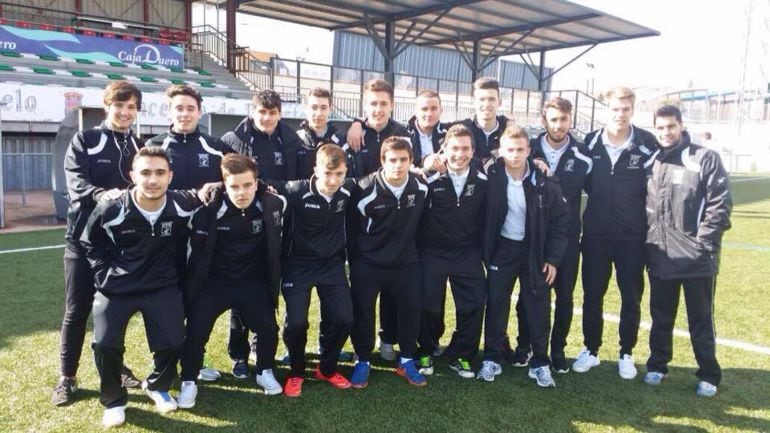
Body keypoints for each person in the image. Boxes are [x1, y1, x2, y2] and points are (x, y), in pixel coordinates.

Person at [80, 147, 203, 427]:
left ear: (170, 177)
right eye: (145, 173)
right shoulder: (112, 207)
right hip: (117, 287)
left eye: (160, 173)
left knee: (173, 341)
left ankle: (157, 385)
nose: (153, 180)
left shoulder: (182, 203)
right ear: (132, 175)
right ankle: (114, 400)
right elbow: (88, 241)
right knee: (105, 343)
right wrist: (105, 275)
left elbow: (213, 189)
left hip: (161, 285)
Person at [52, 80, 143, 406]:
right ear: (107, 106)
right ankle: (67, 378)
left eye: (131, 106)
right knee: (77, 312)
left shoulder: (137, 146)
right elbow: (75, 183)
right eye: (119, 105)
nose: (125, 111)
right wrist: (101, 195)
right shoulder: (86, 139)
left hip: (119, 245)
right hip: (82, 242)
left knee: (115, 312)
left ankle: (115, 367)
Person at [179, 153, 286, 406]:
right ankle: (189, 380)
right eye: (234, 186)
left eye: (248, 185)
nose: (241, 192)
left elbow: (292, 192)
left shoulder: (272, 204)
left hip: (251, 282)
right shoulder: (208, 207)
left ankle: (265, 371)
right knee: (195, 330)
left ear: (257, 183)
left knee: (269, 327)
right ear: (224, 185)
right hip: (214, 283)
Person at [643, 105, 731, 397]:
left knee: (701, 319)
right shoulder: (651, 160)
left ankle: (709, 373)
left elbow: (720, 206)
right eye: (660, 128)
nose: (665, 133)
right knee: (661, 315)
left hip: (696, 259)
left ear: (680, 126)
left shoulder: (704, 158)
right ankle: (657, 365)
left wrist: (702, 245)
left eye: (670, 126)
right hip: (661, 255)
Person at [148, 84, 233, 382]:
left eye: (190, 108)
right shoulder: (154, 146)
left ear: (200, 111)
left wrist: (218, 187)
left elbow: (239, 177)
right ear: (169, 111)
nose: (184, 114)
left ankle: (196, 358)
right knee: (165, 302)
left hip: (204, 238)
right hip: (164, 239)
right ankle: (162, 363)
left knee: (197, 300)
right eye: (178, 108)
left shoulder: (215, 146)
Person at [574, 86, 658, 380]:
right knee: (592, 295)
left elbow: (654, 192)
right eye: (615, 109)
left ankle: (626, 353)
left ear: (632, 110)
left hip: (632, 238)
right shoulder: (589, 143)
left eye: (625, 109)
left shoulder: (647, 143)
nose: (620, 115)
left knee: (631, 297)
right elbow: (583, 184)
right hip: (596, 235)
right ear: (605, 109)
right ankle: (591, 349)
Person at [476, 126, 569, 388]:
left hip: (534, 253)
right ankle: (491, 358)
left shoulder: (545, 181)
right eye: (510, 149)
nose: (515, 155)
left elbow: (563, 223)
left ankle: (540, 362)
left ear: (529, 151)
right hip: (503, 250)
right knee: (496, 303)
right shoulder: (491, 173)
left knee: (538, 306)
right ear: (501, 151)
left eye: (520, 149)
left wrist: (552, 259)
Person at [222, 89, 301, 379]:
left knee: (268, 290)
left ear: (280, 113)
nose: (267, 117)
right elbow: (227, 181)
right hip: (240, 227)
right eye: (262, 112)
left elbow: (295, 183)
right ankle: (239, 354)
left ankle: (260, 348)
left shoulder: (290, 140)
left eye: (273, 112)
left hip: (275, 226)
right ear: (252, 111)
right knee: (239, 294)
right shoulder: (233, 140)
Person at [510, 97, 592, 373]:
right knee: (527, 295)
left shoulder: (583, 156)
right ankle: (525, 346)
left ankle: (557, 349)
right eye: (553, 119)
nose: (559, 125)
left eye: (564, 119)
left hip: (567, 238)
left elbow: (599, 194)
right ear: (544, 120)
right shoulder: (528, 149)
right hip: (531, 238)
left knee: (565, 296)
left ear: (571, 120)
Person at [269, 143, 355, 397]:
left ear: (345, 172)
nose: (333, 180)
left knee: (344, 318)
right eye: (327, 174)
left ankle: (326, 368)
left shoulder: (348, 190)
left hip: (331, 265)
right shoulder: (296, 191)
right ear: (316, 170)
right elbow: (260, 182)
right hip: (298, 265)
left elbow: (375, 179)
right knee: (296, 323)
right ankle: (296, 371)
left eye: (339, 174)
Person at [348, 136, 429, 388]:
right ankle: (363, 360)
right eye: (392, 160)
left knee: (411, 309)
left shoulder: (421, 187)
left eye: (403, 160)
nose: (398, 165)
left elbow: (424, 226)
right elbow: (352, 230)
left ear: (411, 161)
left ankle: (406, 360)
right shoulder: (363, 189)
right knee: (363, 311)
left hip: (406, 262)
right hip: (369, 262)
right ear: (382, 161)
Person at [339, 79, 409, 361]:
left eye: (383, 104)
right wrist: (356, 123)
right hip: (361, 225)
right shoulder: (354, 135)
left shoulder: (402, 133)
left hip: (396, 225)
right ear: (364, 106)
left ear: (391, 105)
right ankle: (362, 348)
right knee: (363, 295)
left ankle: (388, 339)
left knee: (392, 292)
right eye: (373, 104)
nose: (378, 109)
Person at [416, 124, 487, 378]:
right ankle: (426, 348)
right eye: (454, 148)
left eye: (465, 148)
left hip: (467, 253)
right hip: (433, 252)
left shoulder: (482, 182)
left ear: (473, 151)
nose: (460, 154)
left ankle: (462, 354)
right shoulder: (427, 179)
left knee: (474, 303)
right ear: (443, 149)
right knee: (429, 305)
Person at [296, 87, 341, 179]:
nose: (319, 113)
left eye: (323, 108)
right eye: (314, 107)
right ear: (306, 109)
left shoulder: (340, 141)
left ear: (330, 109)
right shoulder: (295, 139)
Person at [406, 89, 448, 167]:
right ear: (416, 111)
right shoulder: (404, 134)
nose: (429, 114)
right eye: (424, 109)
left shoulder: (449, 134)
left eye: (434, 109)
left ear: (441, 110)